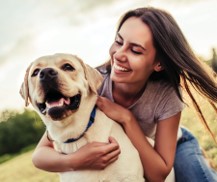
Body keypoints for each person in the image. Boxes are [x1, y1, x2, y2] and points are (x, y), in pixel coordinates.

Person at [32, 7, 217, 181]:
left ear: (158, 63)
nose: (119, 54)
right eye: (119, 42)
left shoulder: (166, 95)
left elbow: (158, 174)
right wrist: (75, 161)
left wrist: (127, 119)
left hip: (174, 147)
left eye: (135, 50)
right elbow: (40, 154)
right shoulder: (91, 84)